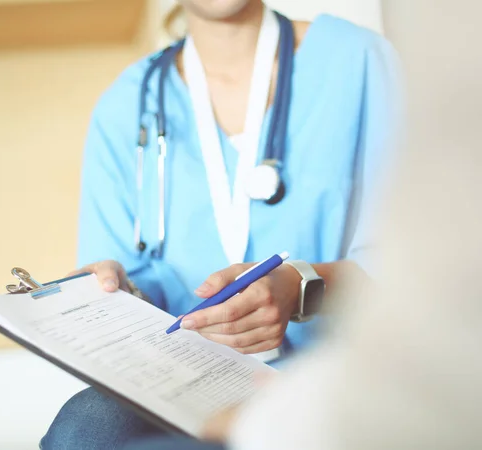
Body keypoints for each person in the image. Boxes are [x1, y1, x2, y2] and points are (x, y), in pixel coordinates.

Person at [40, 0, 401, 448]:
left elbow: (418, 268)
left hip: (332, 370)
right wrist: (116, 293)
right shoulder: (127, 103)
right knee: (84, 427)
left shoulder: (360, 61)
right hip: (184, 377)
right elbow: (123, 271)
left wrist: (302, 286)